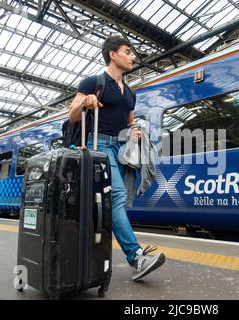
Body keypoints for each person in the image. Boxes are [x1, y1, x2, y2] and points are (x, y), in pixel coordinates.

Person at [68, 36, 166, 281]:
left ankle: (91, 254)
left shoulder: (130, 92)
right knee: (118, 195)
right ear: (113, 54)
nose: (132, 56)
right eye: (127, 51)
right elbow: (72, 115)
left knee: (112, 202)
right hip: (99, 145)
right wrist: (86, 103)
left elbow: (129, 122)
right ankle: (136, 257)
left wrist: (135, 132)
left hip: (122, 149)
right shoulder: (94, 82)